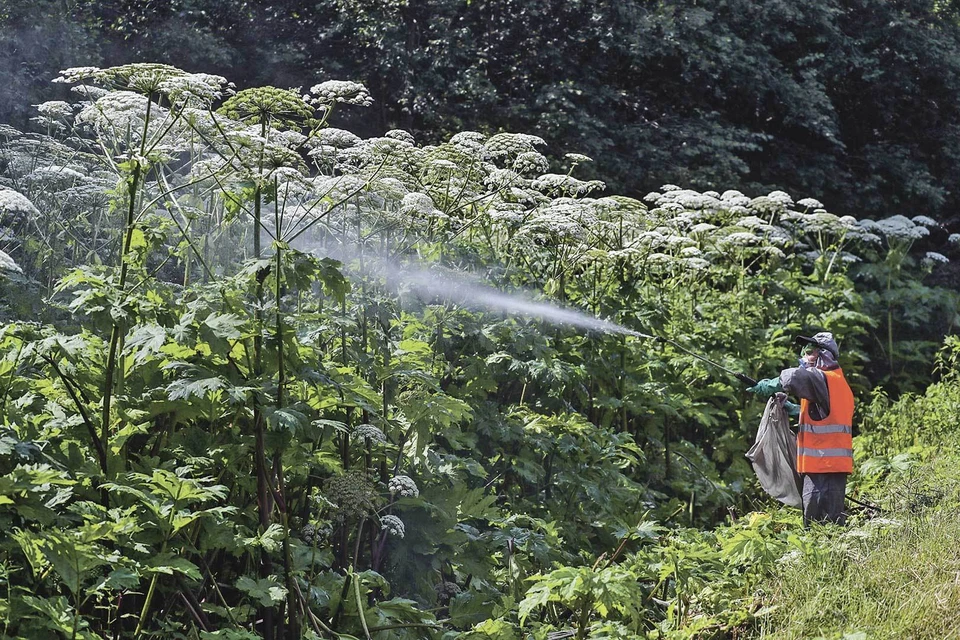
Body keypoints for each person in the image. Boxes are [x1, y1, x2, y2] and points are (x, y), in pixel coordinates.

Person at [747, 331, 855, 526]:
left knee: (819, 529)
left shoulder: (823, 378)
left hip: (824, 469)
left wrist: (771, 385)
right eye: (805, 351)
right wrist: (793, 409)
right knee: (823, 528)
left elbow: (794, 377)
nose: (805, 356)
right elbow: (824, 417)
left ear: (824, 355)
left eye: (810, 351)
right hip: (825, 469)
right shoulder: (834, 382)